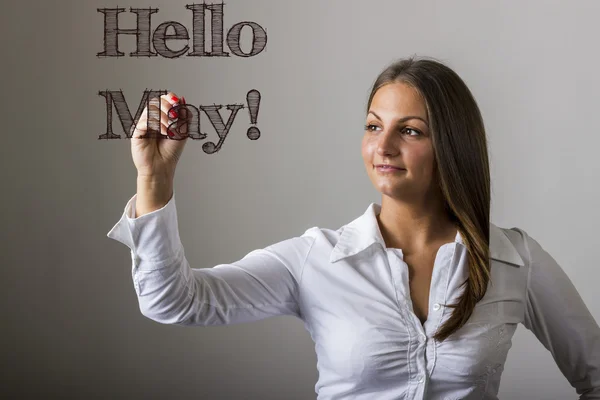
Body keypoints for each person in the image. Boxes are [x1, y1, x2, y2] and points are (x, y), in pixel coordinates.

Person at [107, 56, 600, 399]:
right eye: (372, 125)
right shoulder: (315, 259)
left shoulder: (514, 260)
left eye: (409, 130)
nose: (382, 146)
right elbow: (174, 301)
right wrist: (155, 178)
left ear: (452, 145)